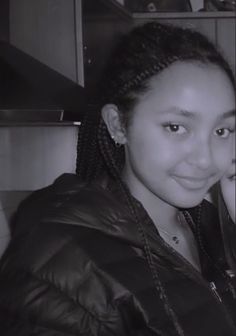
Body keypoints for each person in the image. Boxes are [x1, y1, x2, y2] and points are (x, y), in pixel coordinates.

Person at [0, 21, 235, 336]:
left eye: (222, 131)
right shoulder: (60, 265)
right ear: (118, 125)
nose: (207, 159)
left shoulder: (210, 224)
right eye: (176, 127)